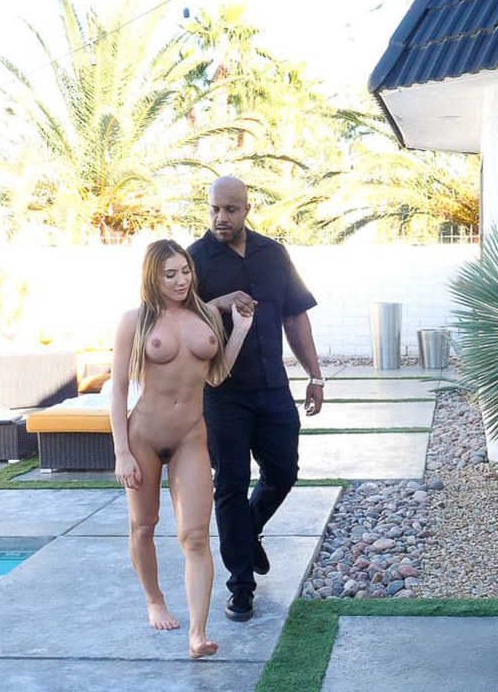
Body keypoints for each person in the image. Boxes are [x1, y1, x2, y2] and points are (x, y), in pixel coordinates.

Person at [187, 175, 325, 622]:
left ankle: (249, 531)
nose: (220, 218)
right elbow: (176, 320)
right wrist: (220, 302)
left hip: (272, 388)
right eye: (214, 209)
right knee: (230, 484)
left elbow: (295, 317)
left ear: (247, 209)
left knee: (284, 472)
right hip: (221, 394)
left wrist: (315, 376)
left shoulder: (274, 254)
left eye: (230, 210)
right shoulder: (194, 259)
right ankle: (241, 585)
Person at [110, 239, 254, 660]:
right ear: (152, 277)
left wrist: (240, 331)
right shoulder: (134, 321)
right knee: (144, 525)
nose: (180, 281)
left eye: (185, 271)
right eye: (169, 274)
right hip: (143, 437)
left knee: (195, 535)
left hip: (191, 437)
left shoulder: (206, 315)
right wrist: (121, 452)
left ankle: (197, 634)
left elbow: (215, 376)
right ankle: (154, 598)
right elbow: (118, 389)